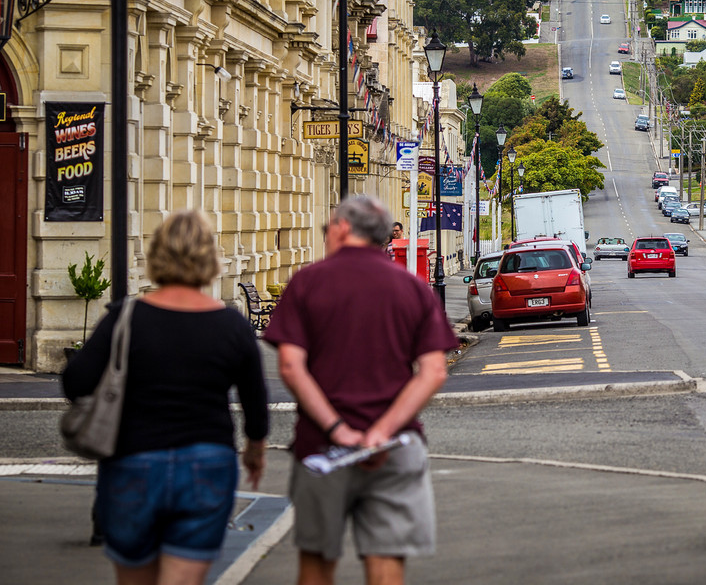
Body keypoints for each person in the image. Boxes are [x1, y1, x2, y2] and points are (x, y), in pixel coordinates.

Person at [62, 210, 268, 585]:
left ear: (157, 254)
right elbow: (255, 401)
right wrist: (255, 449)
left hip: (133, 459)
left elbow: (76, 381)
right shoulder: (231, 324)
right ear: (210, 257)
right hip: (207, 461)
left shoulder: (125, 318)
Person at [264, 195, 457, 585]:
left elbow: (290, 366)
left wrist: (337, 430)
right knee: (386, 561)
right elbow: (433, 371)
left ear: (342, 228)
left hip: (322, 448)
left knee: (317, 562)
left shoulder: (307, 283)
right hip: (393, 448)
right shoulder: (412, 288)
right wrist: (382, 432)